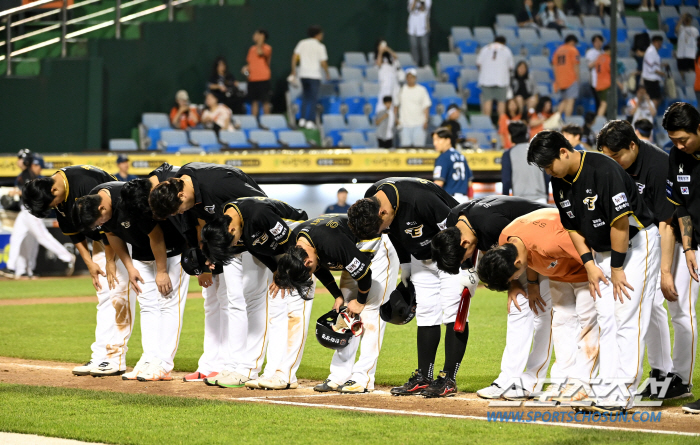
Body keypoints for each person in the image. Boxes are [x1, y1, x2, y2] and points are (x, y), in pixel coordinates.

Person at [527, 130, 659, 413]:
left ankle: (623, 392)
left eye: (549, 165)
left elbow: (620, 224)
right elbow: (572, 227)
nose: (548, 171)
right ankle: (607, 387)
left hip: (635, 245)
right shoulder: (559, 182)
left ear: (564, 152)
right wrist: (589, 264)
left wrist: (617, 268)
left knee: (626, 316)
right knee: (605, 317)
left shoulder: (603, 169)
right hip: (600, 253)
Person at [347, 178, 478, 398]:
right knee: (426, 314)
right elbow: (394, 233)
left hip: (451, 253)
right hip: (420, 259)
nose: (383, 231)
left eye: (380, 227)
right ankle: (424, 377)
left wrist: (466, 266)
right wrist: (406, 265)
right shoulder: (373, 197)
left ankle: (448, 379)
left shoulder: (419, 198)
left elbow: (458, 230)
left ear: (383, 213)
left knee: (453, 314)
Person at [148, 163, 273, 389]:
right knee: (235, 302)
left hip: (255, 237)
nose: (181, 213)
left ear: (181, 194)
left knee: (253, 300)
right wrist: (208, 256)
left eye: (179, 208)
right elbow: (202, 221)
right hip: (229, 244)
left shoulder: (219, 184)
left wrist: (266, 250)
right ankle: (233, 366)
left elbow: (263, 206)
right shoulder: (187, 186)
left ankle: (250, 368)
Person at [597, 119, 692, 400]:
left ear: (632, 145)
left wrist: (665, 271)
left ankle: (683, 379)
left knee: (680, 307)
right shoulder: (618, 166)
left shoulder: (657, 166)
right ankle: (662, 372)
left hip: (681, 238)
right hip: (649, 237)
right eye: (607, 157)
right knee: (648, 303)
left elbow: (668, 223)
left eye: (616, 156)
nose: (612, 162)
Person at [428, 196, 550, 400]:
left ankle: (533, 381)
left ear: (464, 243)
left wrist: (534, 285)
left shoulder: (492, 223)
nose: (467, 261)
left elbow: (527, 248)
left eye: (464, 257)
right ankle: (507, 379)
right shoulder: (455, 223)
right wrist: (513, 285)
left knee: (542, 314)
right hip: (519, 255)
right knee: (518, 308)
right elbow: (488, 247)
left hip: (544, 244)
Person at [72, 180, 190, 382]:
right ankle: (149, 359)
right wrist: (130, 267)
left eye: (98, 220)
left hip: (170, 250)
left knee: (168, 304)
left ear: (102, 206)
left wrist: (162, 271)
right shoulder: (93, 199)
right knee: (147, 305)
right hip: (141, 253)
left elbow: (157, 235)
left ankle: (163, 364)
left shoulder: (129, 199)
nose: (99, 225)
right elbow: (111, 234)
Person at [476, 208, 597, 400]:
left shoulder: (551, 243)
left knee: (588, 324)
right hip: (559, 273)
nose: (516, 279)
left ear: (516, 263)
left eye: (514, 277)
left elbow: (589, 250)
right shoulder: (505, 240)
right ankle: (561, 382)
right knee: (561, 323)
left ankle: (583, 383)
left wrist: (599, 276)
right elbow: (530, 258)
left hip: (585, 269)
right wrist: (532, 283)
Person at [274, 214, 399, 394]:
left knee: (370, 313)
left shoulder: (331, 243)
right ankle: (339, 375)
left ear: (306, 261)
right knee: (345, 313)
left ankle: (363, 377)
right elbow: (319, 267)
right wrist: (338, 295)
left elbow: (365, 274)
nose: (310, 275)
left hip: (377, 249)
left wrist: (361, 301)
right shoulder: (299, 246)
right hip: (351, 250)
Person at [22, 165, 128, 377]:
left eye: (50, 204)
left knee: (119, 296)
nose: (53, 207)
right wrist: (89, 263)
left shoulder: (85, 184)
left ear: (53, 191)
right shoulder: (58, 191)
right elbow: (72, 231)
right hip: (102, 241)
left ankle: (115, 358)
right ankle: (100, 356)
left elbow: (109, 224)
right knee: (105, 298)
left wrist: (110, 260)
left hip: (121, 235)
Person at [200, 197, 309, 391]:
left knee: (289, 310)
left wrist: (283, 272)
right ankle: (266, 371)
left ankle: (281, 373)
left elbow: (290, 243)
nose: (233, 248)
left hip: (299, 241)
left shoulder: (258, 215)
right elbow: (257, 247)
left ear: (232, 230)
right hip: (276, 249)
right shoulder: (229, 218)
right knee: (274, 307)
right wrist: (275, 269)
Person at [662, 103, 700, 414]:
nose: (678, 145)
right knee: (680, 309)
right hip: (695, 246)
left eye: (683, 139)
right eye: (674, 139)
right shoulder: (676, 156)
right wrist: (688, 248)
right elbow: (681, 206)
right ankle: (680, 378)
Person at [1, 153, 75, 280]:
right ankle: (15, 269)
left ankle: (68, 257)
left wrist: (18, 192)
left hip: (32, 212)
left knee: (42, 238)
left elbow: (33, 192)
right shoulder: (25, 175)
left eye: (38, 165)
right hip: (24, 211)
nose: (37, 167)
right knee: (17, 239)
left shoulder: (34, 177)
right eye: (35, 165)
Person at [291, 25, 330, 130]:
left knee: (305, 97)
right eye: (321, 34)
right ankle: (310, 121)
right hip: (314, 76)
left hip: (303, 75)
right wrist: (327, 73)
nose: (322, 36)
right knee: (313, 99)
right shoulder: (320, 46)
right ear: (317, 35)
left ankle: (302, 119)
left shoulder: (302, 43)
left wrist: (294, 70)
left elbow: (294, 57)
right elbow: (323, 62)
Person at [501, 121, 548, 203]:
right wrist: (546, 196)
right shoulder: (538, 151)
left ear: (510, 136)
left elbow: (506, 181)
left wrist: (505, 202)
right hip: (541, 200)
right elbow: (546, 176)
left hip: (520, 202)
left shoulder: (508, 154)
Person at [477, 36, 514, 119]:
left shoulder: (485, 49)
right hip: (501, 80)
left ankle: (487, 124)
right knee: (501, 103)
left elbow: (478, 64)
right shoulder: (506, 50)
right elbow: (511, 67)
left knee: (488, 102)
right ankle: (501, 125)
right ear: (504, 43)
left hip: (486, 80)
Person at [432, 127, 472, 202]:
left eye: (438, 139)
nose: (435, 143)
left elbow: (438, 183)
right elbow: (469, 184)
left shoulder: (443, 157)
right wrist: (471, 201)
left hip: (450, 200)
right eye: (434, 140)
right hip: (464, 200)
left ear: (448, 140)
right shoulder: (461, 156)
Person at [396, 68, 432, 147]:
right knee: (405, 149)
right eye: (408, 77)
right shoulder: (401, 90)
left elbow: (426, 106)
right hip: (404, 124)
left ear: (415, 78)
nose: (410, 79)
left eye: (412, 77)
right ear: (406, 78)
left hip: (419, 124)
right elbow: (396, 105)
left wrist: (425, 120)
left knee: (419, 149)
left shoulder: (421, 90)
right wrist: (396, 120)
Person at [242, 29, 272, 116]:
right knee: (253, 102)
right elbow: (249, 66)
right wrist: (246, 72)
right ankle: (254, 123)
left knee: (265, 102)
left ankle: (268, 122)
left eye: (256, 34)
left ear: (262, 36)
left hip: (263, 79)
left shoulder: (267, 48)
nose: (254, 36)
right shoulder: (251, 49)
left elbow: (259, 52)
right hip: (252, 80)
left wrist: (260, 41)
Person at [552, 35, 580, 118]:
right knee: (570, 101)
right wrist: (578, 79)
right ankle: (567, 120)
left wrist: (556, 80)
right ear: (572, 42)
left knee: (564, 101)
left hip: (560, 79)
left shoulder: (557, 51)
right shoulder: (573, 50)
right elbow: (576, 65)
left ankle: (556, 119)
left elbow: (554, 66)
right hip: (570, 78)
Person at [375, 40, 401, 110]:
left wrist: (388, 49)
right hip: (385, 81)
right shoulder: (377, 57)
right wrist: (380, 51)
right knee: (386, 97)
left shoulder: (390, 57)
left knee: (395, 98)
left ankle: (394, 116)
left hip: (394, 80)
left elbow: (396, 56)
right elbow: (378, 64)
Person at [642, 35, 665, 109]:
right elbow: (651, 67)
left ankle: (652, 113)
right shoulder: (650, 51)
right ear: (654, 42)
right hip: (650, 79)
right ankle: (651, 114)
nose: (660, 45)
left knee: (658, 98)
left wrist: (662, 65)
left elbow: (654, 63)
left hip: (654, 79)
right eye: (659, 43)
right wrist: (661, 73)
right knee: (654, 99)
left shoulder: (654, 51)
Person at [407, 0, 431, 67]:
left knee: (424, 47)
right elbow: (410, 9)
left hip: (423, 27)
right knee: (414, 46)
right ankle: (415, 64)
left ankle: (426, 65)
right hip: (413, 27)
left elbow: (424, 8)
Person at [676, 14, 699, 82]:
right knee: (681, 70)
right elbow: (676, 30)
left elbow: (697, 40)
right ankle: (683, 83)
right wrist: (680, 20)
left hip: (691, 54)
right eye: (685, 19)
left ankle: (692, 83)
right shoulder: (681, 28)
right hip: (681, 54)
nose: (686, 20)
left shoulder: (695, 30)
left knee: (691, 70)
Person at [585, 35, 604, 108]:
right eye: (596, 41)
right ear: (593, 43)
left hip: (603, 80)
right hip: (594, 80)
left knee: (603, 101)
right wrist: (599, 59)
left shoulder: (603, 52)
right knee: (598, 101)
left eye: (600, 41)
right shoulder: (591, 52)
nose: (598, 43)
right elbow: (590, 65)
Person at [594, 44, 612, 117]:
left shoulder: (599, 58)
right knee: (604, 104)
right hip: (606, 84)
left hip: (598, 84)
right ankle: (598, 120)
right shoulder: (608, 58)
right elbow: (611, 70)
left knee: (603, 103)